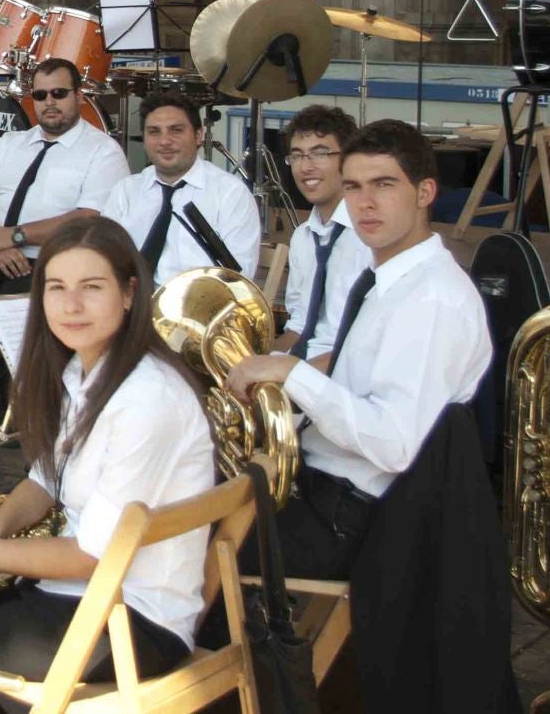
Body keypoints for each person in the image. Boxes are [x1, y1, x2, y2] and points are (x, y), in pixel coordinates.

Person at [0, 217, 216, 713]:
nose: (71, 306)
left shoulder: (147, 398)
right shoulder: (83, 370)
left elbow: (93, 556)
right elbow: (46, 478)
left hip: (132, 619)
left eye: (91, 287)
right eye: (57, 287)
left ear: (130, 294)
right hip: (83, 596)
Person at [225, 120, 491, 580]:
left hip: (351, 517)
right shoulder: (387, 278)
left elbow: (392, 445)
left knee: (179, 550)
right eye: (353, 187)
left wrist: (293, 375)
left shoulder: (431, 299)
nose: (365, 203)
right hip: (318, 485)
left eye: (383, 185)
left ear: (425, 192)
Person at [0, 59, 128, 357]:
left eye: (59, 93)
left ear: (79, 96)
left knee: (14, 323)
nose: (49, 102)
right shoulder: (10, 143)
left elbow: (87, 220)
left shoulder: (102, 151)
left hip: (55, 266)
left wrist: (16, 236)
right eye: (40, 96)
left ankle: (17, 402)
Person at [101, 90, 258, 283]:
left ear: (199, 135)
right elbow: (103, 259)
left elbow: (237, 279)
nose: (165, 141)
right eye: (154, 132)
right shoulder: (125, 191)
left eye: (176, 130)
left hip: (197, 306)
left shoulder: (230, 194)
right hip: (131, 304)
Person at [275, 105, 373, 367]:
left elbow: (366, 348)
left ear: (348, 159)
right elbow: (299, 326)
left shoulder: (370, 235)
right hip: (302, 364)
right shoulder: (302, 237)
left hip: (347, 371)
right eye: (297, 156)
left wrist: (288, 375)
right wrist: (256, 358)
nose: (305, 167)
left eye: (319, 153)